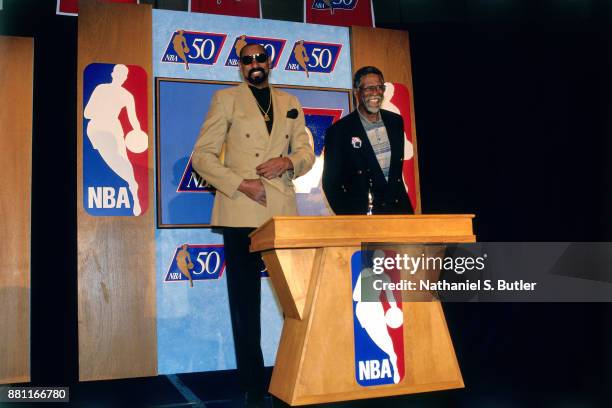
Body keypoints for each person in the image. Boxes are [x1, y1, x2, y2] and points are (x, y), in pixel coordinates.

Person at [191, 43, 314, 407]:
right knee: (245, 304)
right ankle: (253, 384)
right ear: (240, 66)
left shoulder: (291, 100)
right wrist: (241, 185)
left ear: (270, 63)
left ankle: (301, 371)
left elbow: (307, 152)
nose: (255, 64)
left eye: (260, 58)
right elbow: (202, 156)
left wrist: (287, 162)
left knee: (297, 298)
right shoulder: (225, 99)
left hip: (281, 212)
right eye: (247, 60)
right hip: (240, 210)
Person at [322, 66, 413, 215]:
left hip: (400, 214)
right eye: (369, 88)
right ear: (357, 92)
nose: (375, 93)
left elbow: (395, 174)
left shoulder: (395, 122)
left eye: (379, 87)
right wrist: (351, 219)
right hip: (363, 219)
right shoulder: (339, 131)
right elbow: (330, 185)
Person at [84, 64, 143, 216]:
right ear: (114, 74)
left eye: (123, 75)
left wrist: (138, 132)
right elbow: (87, 113)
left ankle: (133, 189)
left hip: (112, 129)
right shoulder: (102, 89)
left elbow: (133, 119)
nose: (121, 77)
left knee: (123, 160)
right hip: (99, 128)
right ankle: (132, 185)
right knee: (115, 158)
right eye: (120, 74)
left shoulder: (126, 95)